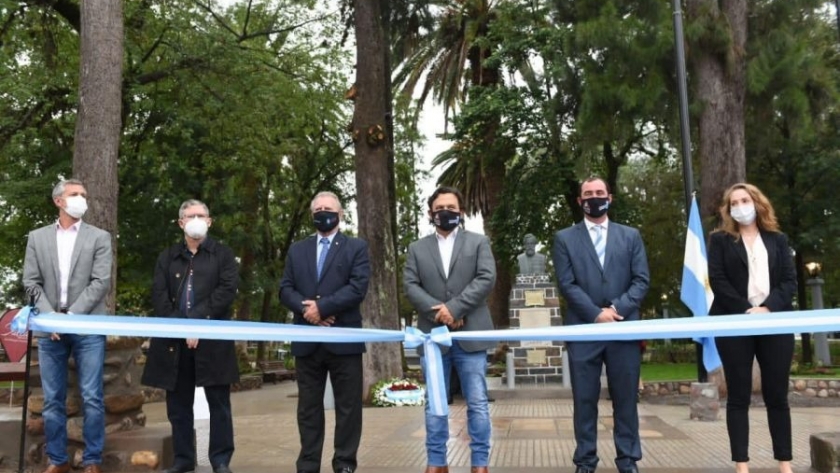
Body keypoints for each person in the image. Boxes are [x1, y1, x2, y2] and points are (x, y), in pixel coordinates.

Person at [551, 177, 650, 473]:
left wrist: (616, 309)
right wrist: (596, 313)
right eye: (588, 194)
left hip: (624, 328)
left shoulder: (630, 236)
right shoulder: (564, 238)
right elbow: (567, 284)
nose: (594, 198)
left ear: (610, 197)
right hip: (584, 330)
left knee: (625, 399)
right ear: (579, 201)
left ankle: (628, 459)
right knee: (584, 400)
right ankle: (585, 460)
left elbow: (641, 279)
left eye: (599, 193)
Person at [141, 199, 239, 473]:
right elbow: (159, 297)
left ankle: (220, 460)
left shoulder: (224, 254)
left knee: (219, 404)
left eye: (201, 215)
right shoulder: (167, 256)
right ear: (181, 222)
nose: (196, 219)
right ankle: (183, 459)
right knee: (178, 405)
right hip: (175, 342)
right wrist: (183, 328)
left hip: (214, 342)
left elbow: (226, 291)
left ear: (209, 221)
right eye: (190, 215)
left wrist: (196, 322)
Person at [404, 186, 496, 473]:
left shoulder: (479, 242)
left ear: (462, 212)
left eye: (452, 208)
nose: (446, 212)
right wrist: (441, 313)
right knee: (434, 403)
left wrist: (455, 309)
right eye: (440, 208)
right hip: (433, 338)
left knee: (478, 402)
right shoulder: (417, 248)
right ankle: (436, 462)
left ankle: (479, 463)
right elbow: (410, 286)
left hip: (471, 335)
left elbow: (486, 278)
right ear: (431, 214)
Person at [22, 179, 111, 473]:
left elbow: (101, 282)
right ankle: (57, 460)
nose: (82, 199)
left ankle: (92, 460)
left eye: (84, 195)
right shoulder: (37, 238)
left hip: (86, 326)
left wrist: (71, 317)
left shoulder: (99, 237)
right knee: (52, 400)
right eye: (75, 195)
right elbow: (30, 282)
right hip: (50, 330)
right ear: (59, 201)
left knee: (92, 397)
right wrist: (51, 318)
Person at [707, 183, 796, 473]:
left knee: (777, 395)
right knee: (738, 395)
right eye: (734, 202)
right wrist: (746, 310)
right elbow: (718, 282)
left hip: (774, 321)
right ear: (728, 209)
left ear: (757, 203)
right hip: (735, 322)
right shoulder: (720, 240)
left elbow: (788, 281)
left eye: (745, 200)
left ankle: (784, 462)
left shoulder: (777, 239)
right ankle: (741, 464)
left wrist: (767, 308)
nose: (740, 206)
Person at [279, 191, 370, 473]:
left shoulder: (356, 247)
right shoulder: (297, 250)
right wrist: (310, 312)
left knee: (348, 408)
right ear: (311, 215)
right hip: (307, 341)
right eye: (317, 208)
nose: (322, 212)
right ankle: (308, 464)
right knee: (308, 408)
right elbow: (285, 289)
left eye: (328, 208)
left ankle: (344, 463)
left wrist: (323, 307)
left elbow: (357, 288)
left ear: (340, 214)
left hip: (344, 340)